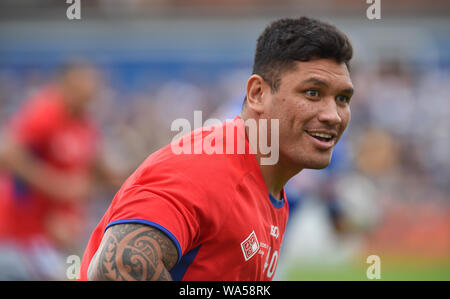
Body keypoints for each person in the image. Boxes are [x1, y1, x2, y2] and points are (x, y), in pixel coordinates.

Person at [79, 16, 354, 281]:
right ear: (258, 93)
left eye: (342, 98)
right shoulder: (203, 167)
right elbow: (119, 268)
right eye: (312, 93)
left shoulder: (271, 185)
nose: (334, 115)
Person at [0, 61, 111, 280]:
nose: (91, 90)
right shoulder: (46, 112)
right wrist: (56, 186)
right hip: (25, 235)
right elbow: (8, 154)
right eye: (85, 82)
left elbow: (97, 170)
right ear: (67, 83)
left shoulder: (86, 123)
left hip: (59, 234)